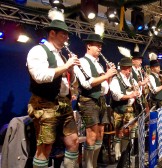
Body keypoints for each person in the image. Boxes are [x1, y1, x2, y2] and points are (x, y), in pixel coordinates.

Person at [26, 9, 80, 168]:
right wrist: (66, 66)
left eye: (67, 35)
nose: (67, 37)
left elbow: (70, 82)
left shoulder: (62, 55)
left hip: (64, 103)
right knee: (45, 147)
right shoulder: (38, 51)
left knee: (74, 141)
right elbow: (40, 76)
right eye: (63, 34)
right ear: (52, 33)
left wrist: (71, 71)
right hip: (45, 104)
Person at [75, 23, 117, 168]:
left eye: (101, 46)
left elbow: (105, 88)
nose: (100, 48)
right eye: (97, 45)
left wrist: (109, 75)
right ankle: (88, 166)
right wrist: (107, 75)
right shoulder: (81, 61)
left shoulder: (98, 64)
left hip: (101, 100)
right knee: (91, 136)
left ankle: (93, 163)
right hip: (89, 101)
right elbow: (88, 83)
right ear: (88, 46)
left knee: (100, 134)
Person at [109, 49, 141, 161]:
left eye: (130, 69)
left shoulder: (131, 79)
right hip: (119, 109)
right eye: (128, 69)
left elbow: (138, 89)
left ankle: (125, 152)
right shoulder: (116, 79)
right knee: (119, 131)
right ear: (123, 69)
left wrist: (137, 92)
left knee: (131, 131)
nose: (129, 71)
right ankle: (118, 154)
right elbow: (116, 96)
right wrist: (130, 95)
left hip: (130, 109)